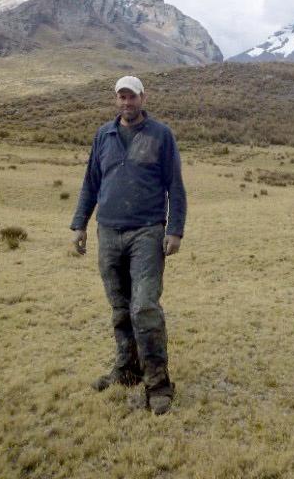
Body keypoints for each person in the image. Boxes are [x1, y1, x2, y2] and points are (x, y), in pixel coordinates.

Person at [70, 75, 186, 415]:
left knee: (145, 306)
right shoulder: (103, 135)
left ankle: (158, 383)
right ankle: (127, 368)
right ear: (115, 100)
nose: (126, 103)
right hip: (108, 231)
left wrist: (175, 229)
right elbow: (90, 182)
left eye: (131, 97)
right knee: (120, 307)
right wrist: (79, 224)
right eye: (121, 97)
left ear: (142, 98)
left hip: (147, 232)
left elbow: (175, 187)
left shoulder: (160, 135)